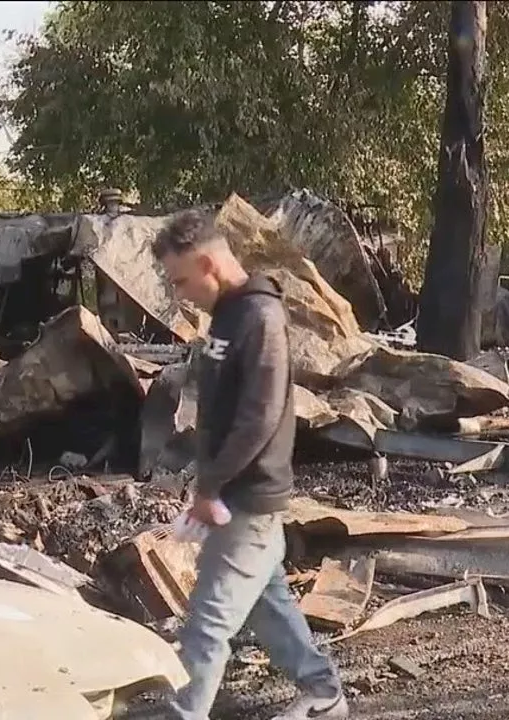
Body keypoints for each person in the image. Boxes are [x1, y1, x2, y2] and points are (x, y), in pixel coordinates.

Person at [150, 211, 348, 720]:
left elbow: (259, 419)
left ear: (210, 263)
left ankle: (184, 713)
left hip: (249, 494)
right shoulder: (228, 315)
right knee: (267, 604)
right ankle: (325, 696)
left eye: (181, 280)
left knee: (208, 623)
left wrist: (211, 484)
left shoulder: (259, 318)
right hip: (233, 490)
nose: (180, 293)